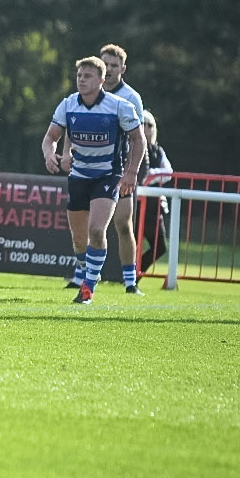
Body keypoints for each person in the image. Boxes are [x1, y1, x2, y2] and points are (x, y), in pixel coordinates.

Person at [41, 56, 145, 304]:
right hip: (79, 176)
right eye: (79, 76)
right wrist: (50, 154)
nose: (81, 80)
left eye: (87, 76)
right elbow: (51, 137)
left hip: (108, 175)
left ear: (101, 80)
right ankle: (89, 272)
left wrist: (131, 173)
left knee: (97, 230)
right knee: (79, 240)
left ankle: (88, 288)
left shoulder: (119, 106)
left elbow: (138, 139)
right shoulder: (68, 105)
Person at [101, 43, 147, 292]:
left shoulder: (131, 97)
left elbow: (138, 139)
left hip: (120, 169)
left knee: (122, 223)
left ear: (123, 69)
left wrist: (132, 172)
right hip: (93, 168)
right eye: (105, 64)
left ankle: (130, 282)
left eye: (114, 66)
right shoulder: (87, 92)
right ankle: (82, 276)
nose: (108, 70)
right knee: (90, 224)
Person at [137, 110, 175, 271]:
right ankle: (125, 276)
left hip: (153, 207)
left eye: (150, 125)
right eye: (142, 123)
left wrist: (150, 175)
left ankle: (135, 273)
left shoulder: (158, 151)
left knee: (160, 247)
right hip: (134, 204)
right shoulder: (130, 146)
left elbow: (168, 173)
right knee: (130, 242)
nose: (146, 128)